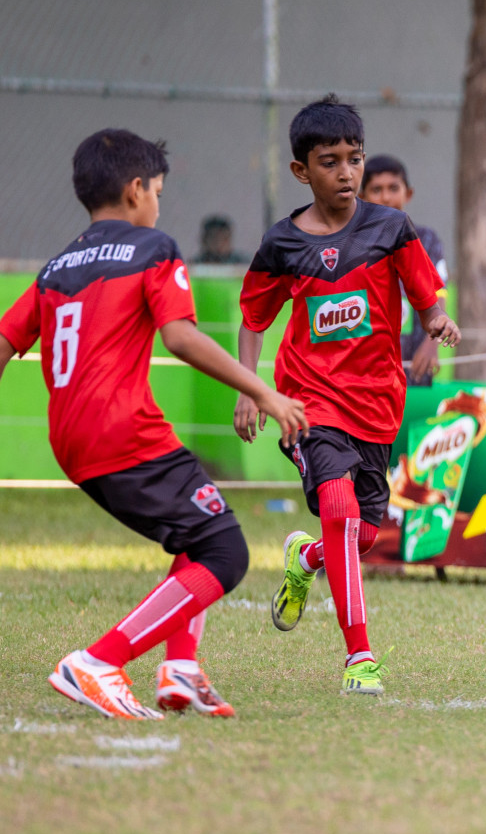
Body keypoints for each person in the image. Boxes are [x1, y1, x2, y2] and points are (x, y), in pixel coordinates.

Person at [0, 129, 308, 720]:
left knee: (201, 528)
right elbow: (181, 337)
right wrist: (263, 391)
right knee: (225, 552)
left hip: (71, 439)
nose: (159, 205)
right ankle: (97, 661)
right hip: (124, 431)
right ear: (137, 189)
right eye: (158, 191)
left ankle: (182, 669)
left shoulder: (55, 269)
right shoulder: (152, 248)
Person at [237, 95, 461, 696]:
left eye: (353, 159)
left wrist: (437, 320)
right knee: (337, 509)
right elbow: (255, 319)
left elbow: (424, 292)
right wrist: (251, 389)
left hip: (378, 403)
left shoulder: (390, 228)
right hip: (306, 403)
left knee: (359, 535)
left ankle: (305, 559)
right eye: (330, 161)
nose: (346, 172)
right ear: (300, 171)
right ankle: (359, 656)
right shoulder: (282, 244)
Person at [360, 154, 449, 387]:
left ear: (408, 194)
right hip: (366, 367)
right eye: (376, 189)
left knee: (412, 419)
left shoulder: (426, 240)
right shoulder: (352, 244)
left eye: (393, 188)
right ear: (362, 197)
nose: (386, 197)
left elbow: (439, 292)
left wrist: (431, 345)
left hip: (413, 363)